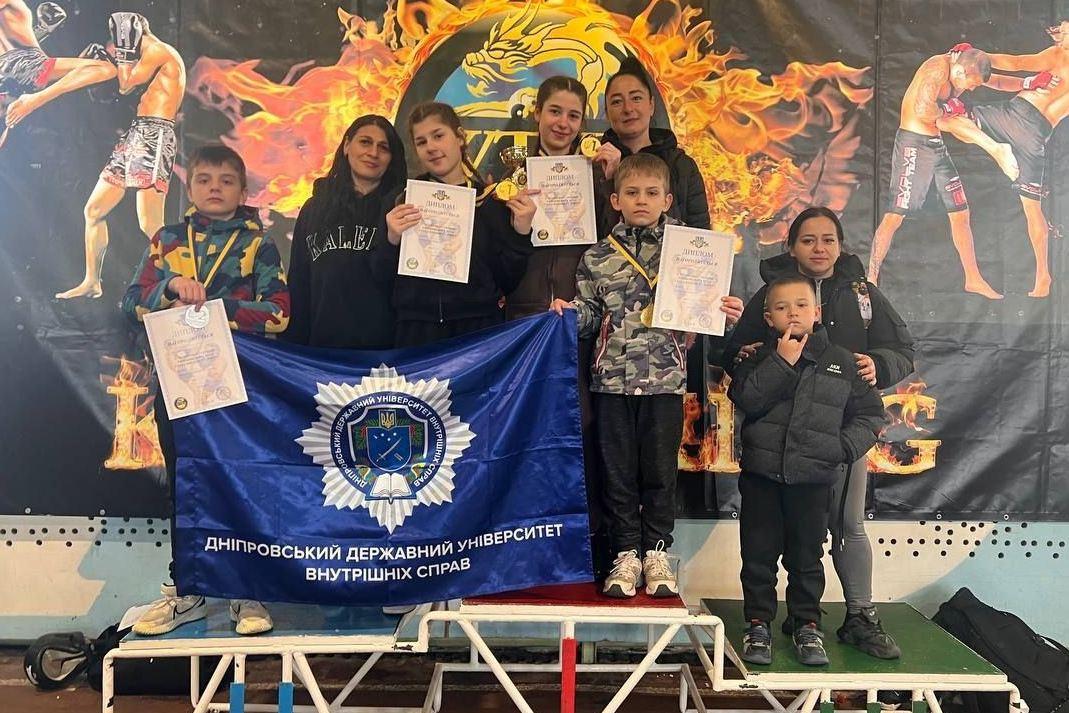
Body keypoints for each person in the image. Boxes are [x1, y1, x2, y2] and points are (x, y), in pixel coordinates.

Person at [722, 207, 914, 660]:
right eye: (808, 240)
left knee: (845, 526)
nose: (819, 248)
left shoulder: (863, 294)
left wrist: (879, 364)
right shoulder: (770, 293)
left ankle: (859, 615)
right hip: (772, 455)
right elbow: (736, 361)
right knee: (767, 545)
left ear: (841, 246)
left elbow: (903, 351)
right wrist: (746, 352)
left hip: (835, 438)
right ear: (791, 247)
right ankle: (774, 622)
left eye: (828, 239)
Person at [550, 153, 742, 598]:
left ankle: (656, 551)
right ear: (615, 200)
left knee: (659, 472)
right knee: (617, 473)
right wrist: (567, 314)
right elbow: (590, 314)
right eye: (632, 193)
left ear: (668, 200)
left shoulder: (691, 252)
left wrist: (725, 312)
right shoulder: (598, 256)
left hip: (665, 381)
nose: (642, 200)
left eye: (652, 193)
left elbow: (705, 308)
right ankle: (625, 553)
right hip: (611, 382)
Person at [122, 144, 290, 636]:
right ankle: (188, 590)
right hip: (177, 384)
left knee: (239, 482)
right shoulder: (167, 240)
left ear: (242, 190)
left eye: (226, 180)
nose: (215, 187)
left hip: (236, 387)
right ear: (190, 187)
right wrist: (170, 290)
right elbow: (130, 302)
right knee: (186, 487)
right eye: (204, 179)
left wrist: (214, 309)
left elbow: (279, 313)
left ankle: (245, 590)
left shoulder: (259, 243)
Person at [729, 275, 886, 666]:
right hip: (762, 478)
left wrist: (840, 449)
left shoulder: (842, 362)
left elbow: (870, 414)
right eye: (782, 308)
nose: (793, 313)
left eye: (801, 305)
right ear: (769, 317)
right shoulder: (756, 358)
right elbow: (746, 398)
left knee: (806, 559)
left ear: (817, 313)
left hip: (813, 481)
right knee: (758, 557)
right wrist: (781, 362)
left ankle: (807, 626)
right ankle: (758, 625)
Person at [8, 12, 186, 300]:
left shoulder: (157, 50)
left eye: (119, 42)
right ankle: (92, 282)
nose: (117, 49)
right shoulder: (150, 54)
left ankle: (185, 280)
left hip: (154, 134)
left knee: (149, 222)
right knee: (93, 211)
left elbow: (125, 84)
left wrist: (121, 58)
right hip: (136, 134)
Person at [384, 101, 535, 347]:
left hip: (477, 332)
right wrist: (391, 239)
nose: (431, 147)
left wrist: (521, 232)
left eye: (438, 136)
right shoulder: (402, 201)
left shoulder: (489, 201)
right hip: (418, 331)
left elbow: (508, 280)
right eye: (421, 142)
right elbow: (381, 277)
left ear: (461, 137)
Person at [937, 30, 1069, 298]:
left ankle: (996, 148)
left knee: (946, 118)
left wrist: (976, 55)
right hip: (1038, 135)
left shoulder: (1060, 56)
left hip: (1016, 116)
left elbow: (1016, 62)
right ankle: (1043, 277)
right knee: (1032, 208)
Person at [867, 47, 1004, 298]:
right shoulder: (936, 69)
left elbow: (996, 80)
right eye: (971, 84)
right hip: (914, 145)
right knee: (895, 215)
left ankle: (973, 279)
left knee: (960, 212)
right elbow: (923, 110)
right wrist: (949, 109)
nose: (971, 90)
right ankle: (871, 278)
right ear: (960, 71)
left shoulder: (961, 69)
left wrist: (1027, 82)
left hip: (936, 146)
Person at [283, 114, 407, 349]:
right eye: (365, 142)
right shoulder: (314, 208)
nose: (373, 153)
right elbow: (299, 283)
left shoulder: (403, 209)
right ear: (347, 146)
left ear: (392, 158)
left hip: (385, 356)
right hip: (323, 351)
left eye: (384, 147)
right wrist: (292, 352)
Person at [597, 57, 711, 230]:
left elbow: (700, 234)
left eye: (636, 98)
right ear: (607, 112)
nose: (628, 108)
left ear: (651, 105)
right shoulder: (594, 166)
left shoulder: (682, 166)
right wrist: (610, 181)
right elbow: (591, 236)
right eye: (617, 102)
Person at [0, 0, 113, 142]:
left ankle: (35, 99)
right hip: (27, 68)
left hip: (20, 72)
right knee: (105, 68)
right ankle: (34, 99)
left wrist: (41, 30)